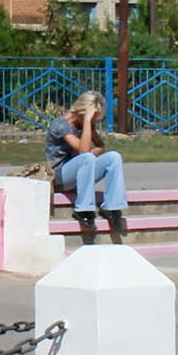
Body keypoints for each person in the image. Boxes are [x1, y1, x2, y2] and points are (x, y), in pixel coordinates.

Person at [44, 89, 128, 244]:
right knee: (87, 157)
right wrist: (88, 122)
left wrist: (93, 139)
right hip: (59, 177)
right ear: (82, 112)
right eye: (93, 118)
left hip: (78, 173)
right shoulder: (60, 125)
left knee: (114, 157)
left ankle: (112, 208)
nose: (94, 122)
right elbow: (83, 151)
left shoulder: (84, 125)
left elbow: (101, 146)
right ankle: (83, 210)